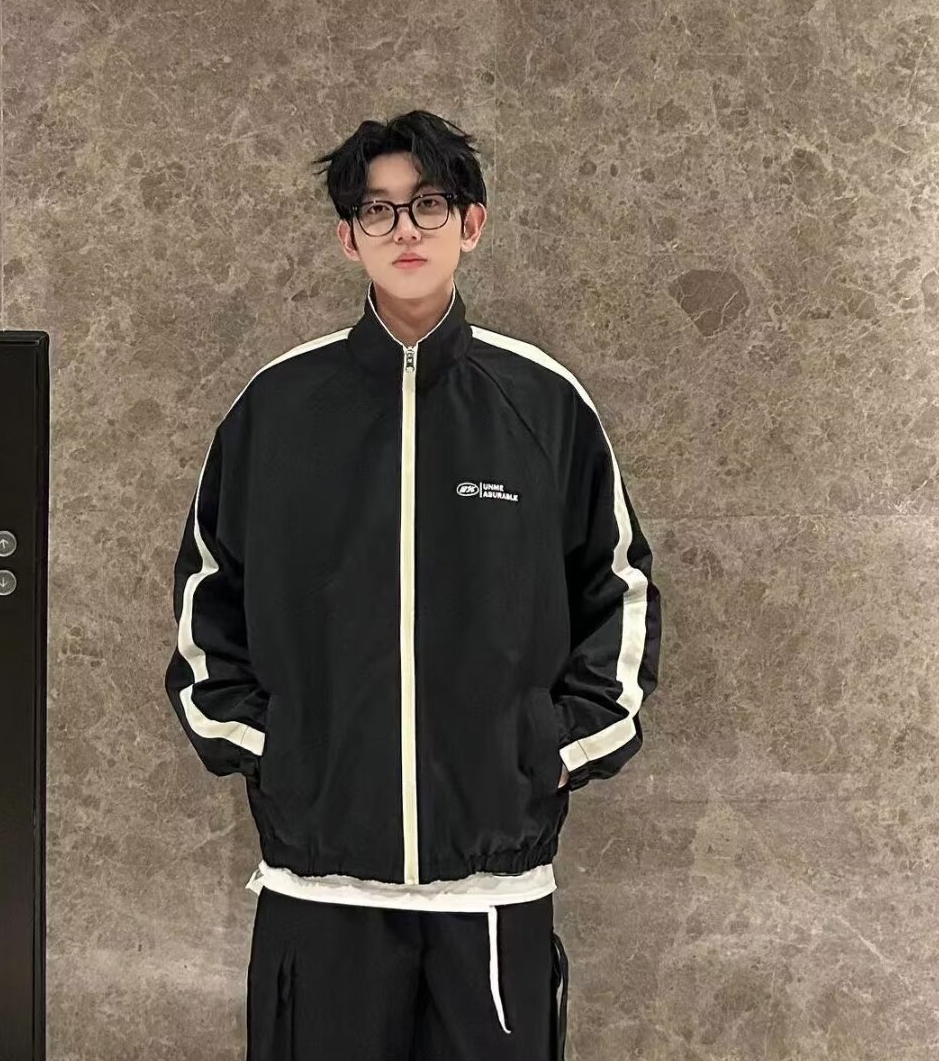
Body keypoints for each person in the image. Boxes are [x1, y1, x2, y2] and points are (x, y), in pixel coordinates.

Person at [164, 109, 663, 1060]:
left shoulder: (542, 403)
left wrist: (549, 748)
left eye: (429, 204)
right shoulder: (278, 409)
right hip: (319, 887)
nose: (405, 229)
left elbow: (619, 589)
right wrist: (279, 747)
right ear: (346, 235)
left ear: (471, 224)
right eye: (378, 209)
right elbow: (207, 599)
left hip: (493, 892)